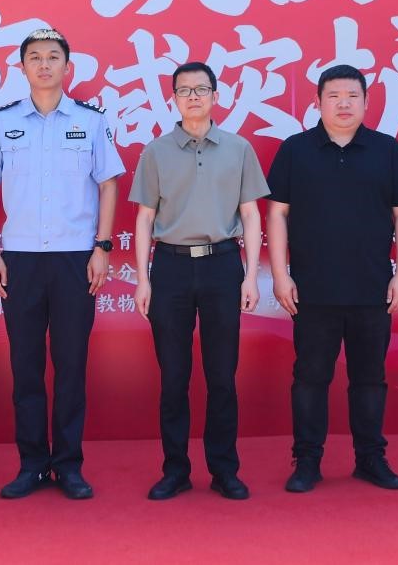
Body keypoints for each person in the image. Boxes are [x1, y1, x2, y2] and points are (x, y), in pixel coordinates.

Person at [0, 27, 125, 500]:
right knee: (26, 366)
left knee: (72, 365)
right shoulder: (2, 123)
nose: (43, 64)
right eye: (34, 57)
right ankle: (32, 464)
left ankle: (69, 465)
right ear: (22, 68)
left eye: (52, 56)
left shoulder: (90, 122)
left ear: (67, 67)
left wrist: (101, 247)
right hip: (20, 258)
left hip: (76, 257)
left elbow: (109, 184)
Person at [266, 64, 398, 494]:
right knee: (310, 377)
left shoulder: (386, 150)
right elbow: (277, 213)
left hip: (373, 288)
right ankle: (307, 460)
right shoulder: (296, 150)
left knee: (369, 378)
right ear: (317, 102)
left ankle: (370, 458)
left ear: (367, 102)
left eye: (353, 96)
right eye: (334, 96)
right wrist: (280, 275)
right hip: (311, 290)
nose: (344, 104)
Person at [130, 61, 268, 501]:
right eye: (184, 90)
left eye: (201, 89)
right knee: (174, 377)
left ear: (215, 96)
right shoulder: (156, 152)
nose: (193, 97)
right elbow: (144, 219)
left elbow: (251, 214)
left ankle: (224, 469)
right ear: (173, 98)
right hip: (170, 268)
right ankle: (175, 469)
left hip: (222, 266)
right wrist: (142, 279)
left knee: (222, 375)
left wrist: (251, 276)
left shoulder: (238, 148)